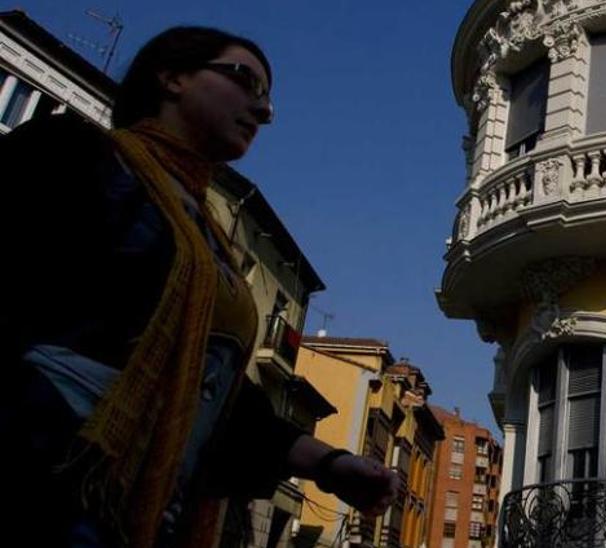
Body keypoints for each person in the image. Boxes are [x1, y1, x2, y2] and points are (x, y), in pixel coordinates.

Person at [0, 27, 401, 547]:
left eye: (268, 101)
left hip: (142, 515)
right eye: (244, 81)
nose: (262, 110)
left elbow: (221, 405)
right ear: (172, 77)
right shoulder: (71, 155)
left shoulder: (209, 239)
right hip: (44, 476)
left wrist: (330, 463)